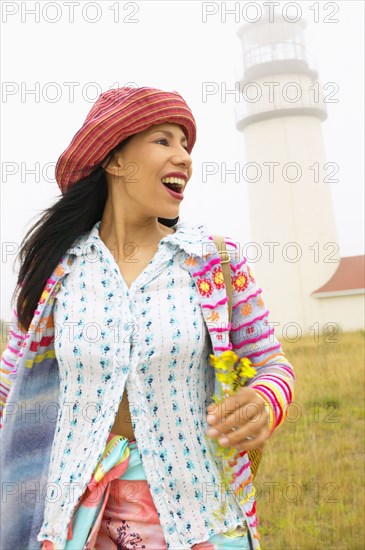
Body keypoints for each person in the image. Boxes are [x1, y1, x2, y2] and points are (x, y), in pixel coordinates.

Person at [0, 86, 295, 550]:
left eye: (185, 144)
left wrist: (264, 402)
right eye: (164, 140)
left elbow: (274, 367)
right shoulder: (56, 270)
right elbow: (9, 390)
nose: (184, 157)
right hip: (75, 522)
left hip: (202, 521)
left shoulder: (215, 262)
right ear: (114, 160)